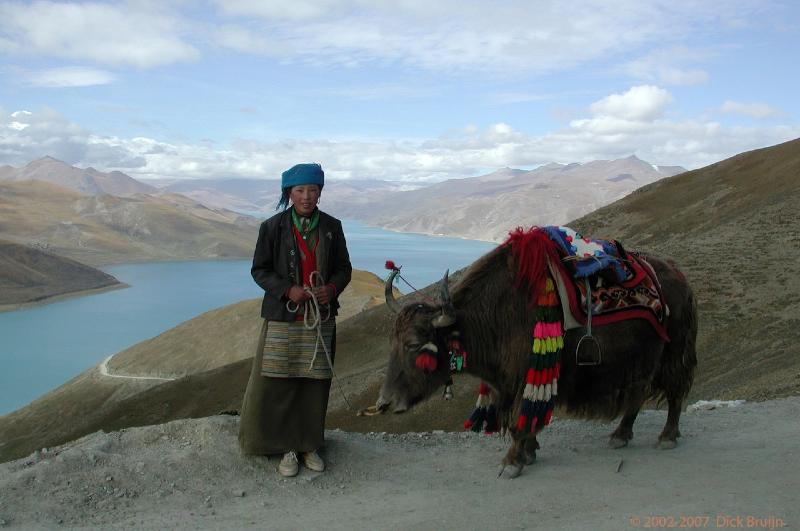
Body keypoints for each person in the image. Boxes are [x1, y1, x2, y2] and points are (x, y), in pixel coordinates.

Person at [239, 163, 352, 477]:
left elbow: (344, 268)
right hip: (283, 318)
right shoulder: (272, 228)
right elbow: (259, 270)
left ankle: (309, 444)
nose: (306, 196)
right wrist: (288, 289)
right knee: (280, 383)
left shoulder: (332, 227)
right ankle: (285, 447)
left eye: (313, 190)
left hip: (320, 317)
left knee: (313, 385)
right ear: (288, 192)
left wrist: (331, 289)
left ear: (320, 192)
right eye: (300, 190)